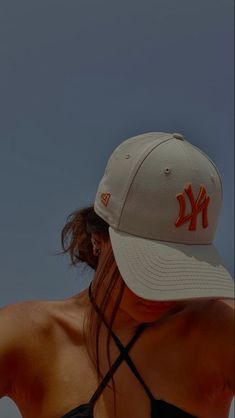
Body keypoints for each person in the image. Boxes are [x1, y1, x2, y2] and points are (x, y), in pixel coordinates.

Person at [0, 132, 234, 418]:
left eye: (178, 270)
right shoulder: (28, 337)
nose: (163, 292)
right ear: (99, 237)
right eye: (150, 266)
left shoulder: (220, 331)